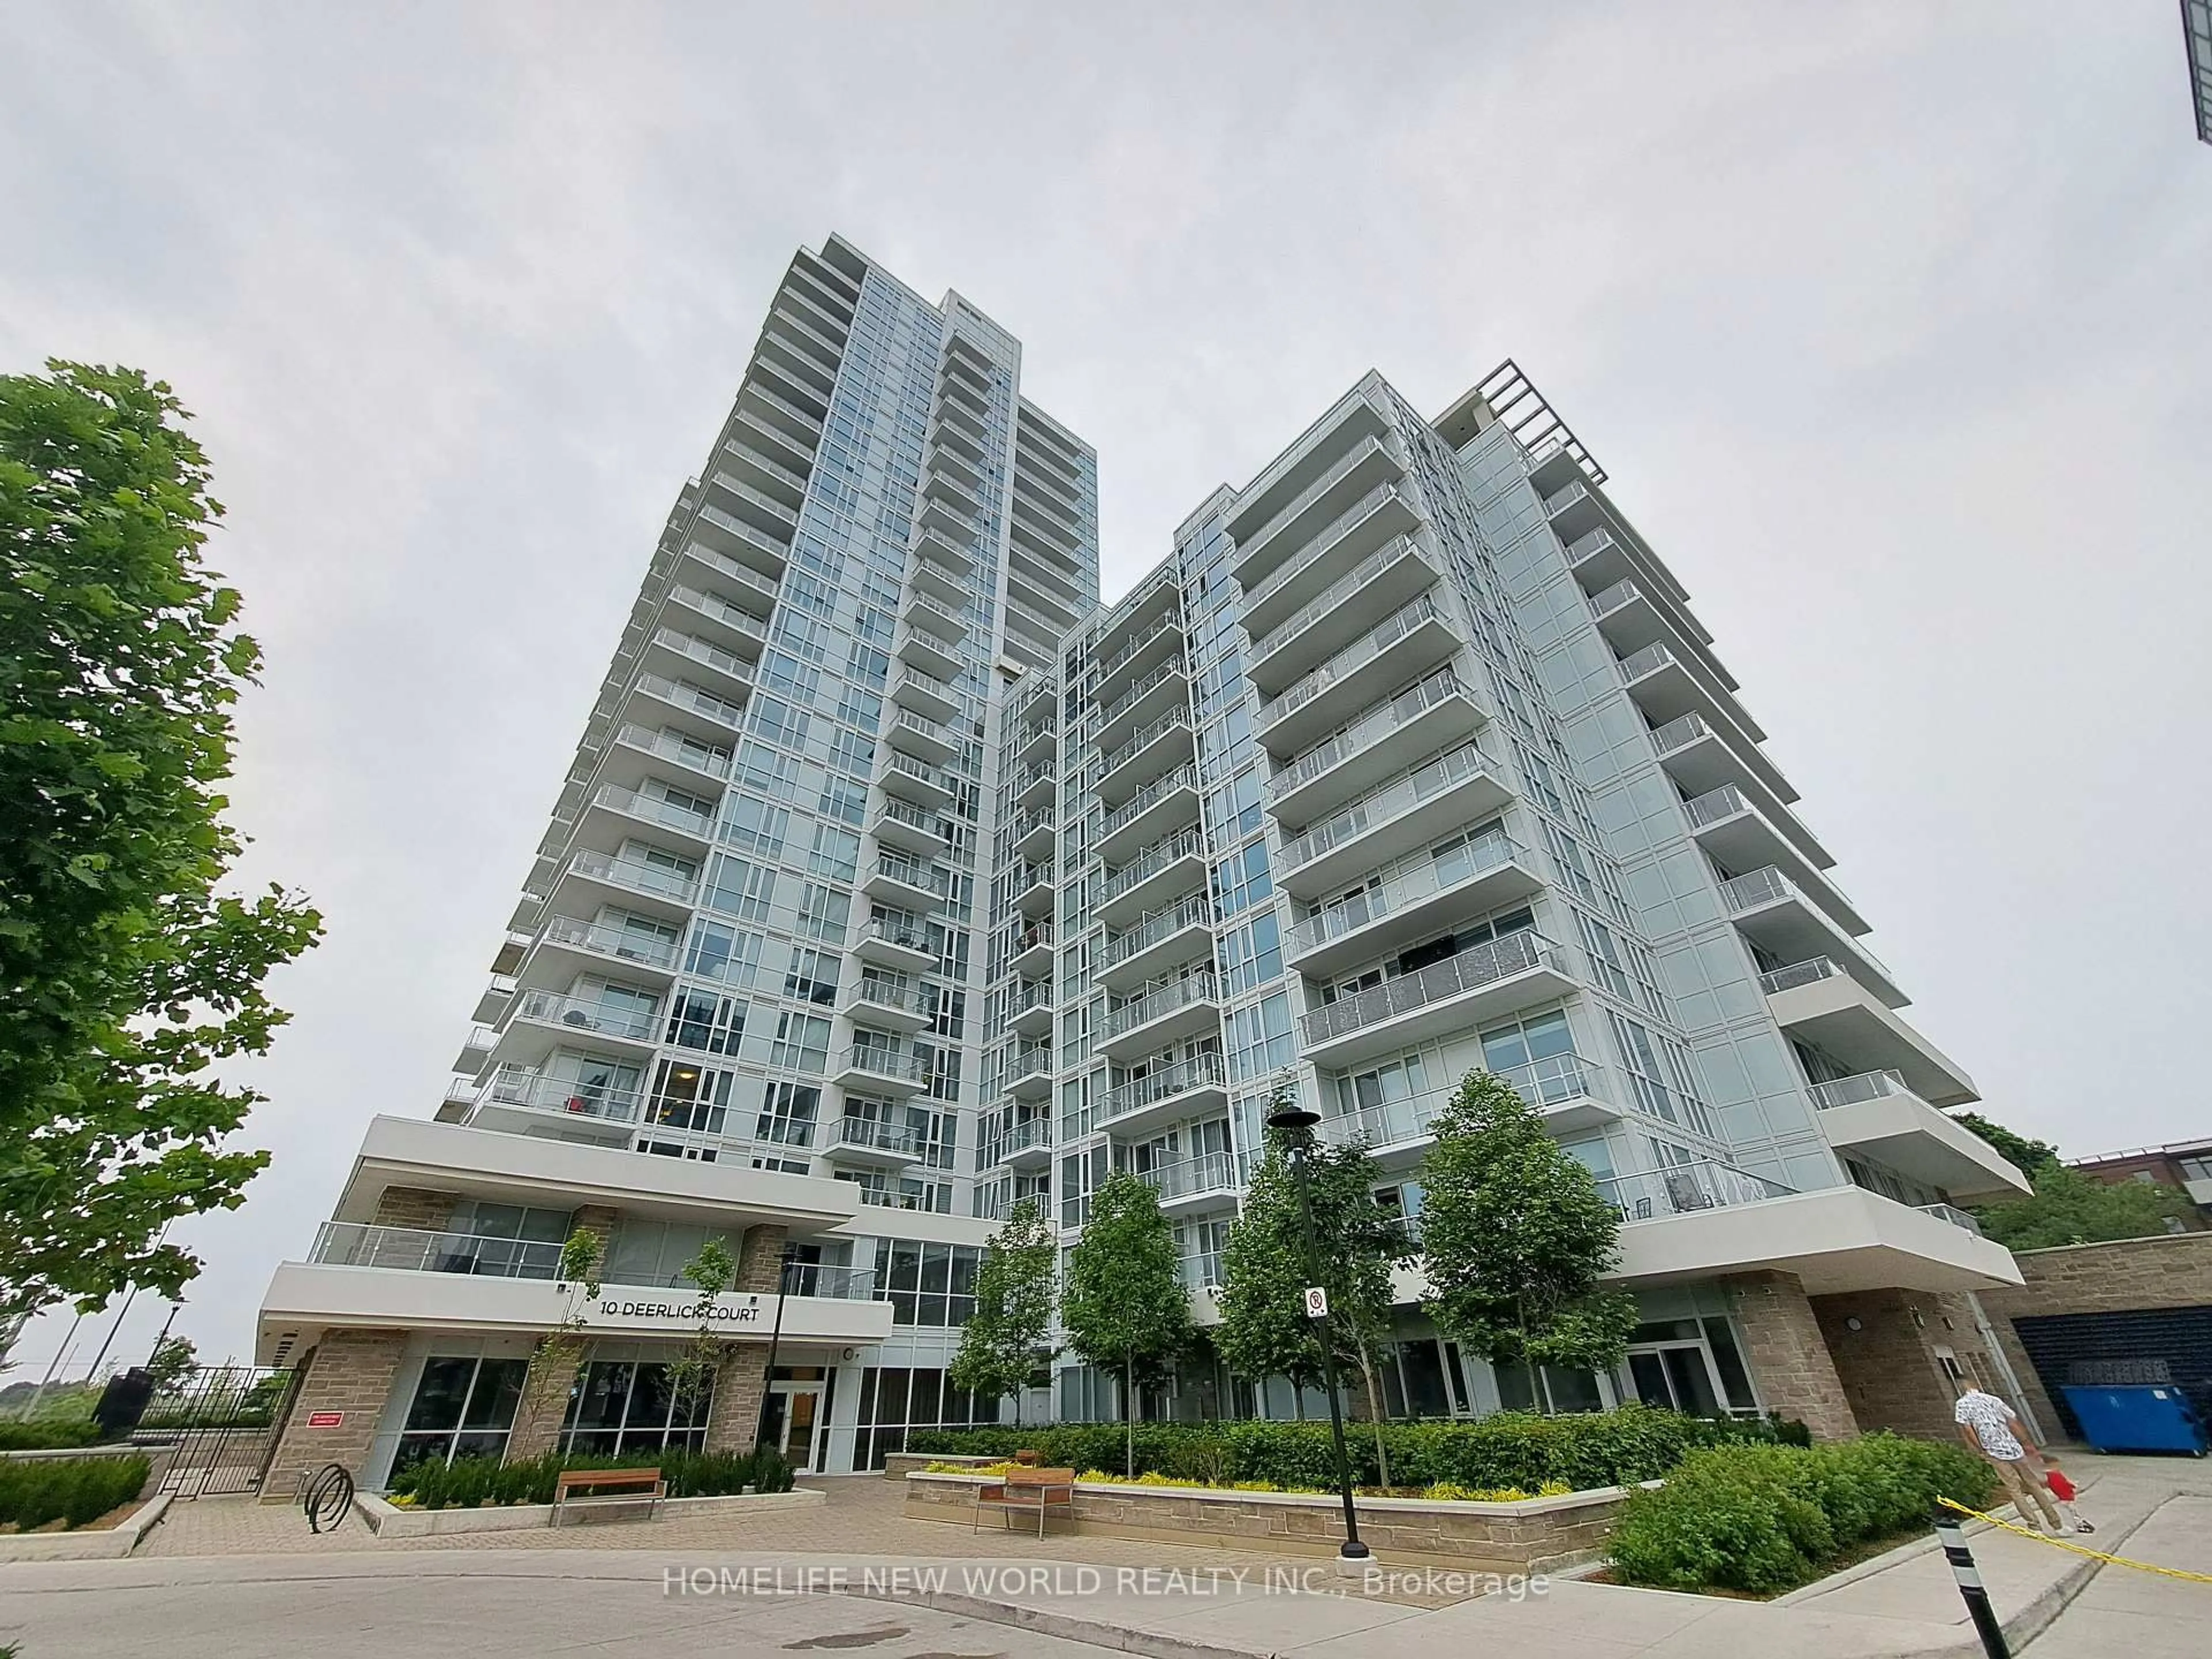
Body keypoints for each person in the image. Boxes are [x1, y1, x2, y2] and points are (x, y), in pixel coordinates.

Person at [1953, 1381, 2063, 1533]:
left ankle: (2034, 1525)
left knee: (2014, 1488)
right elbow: (2013, 1422)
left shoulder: (1962, 1404)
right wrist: (2026, 1442)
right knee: (2033, 1484)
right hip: (2013, 1448)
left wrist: (1981, 1449)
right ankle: (2056, 1523)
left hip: (1994, 1451)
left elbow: (1967, 1429)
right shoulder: (1994, 1400)